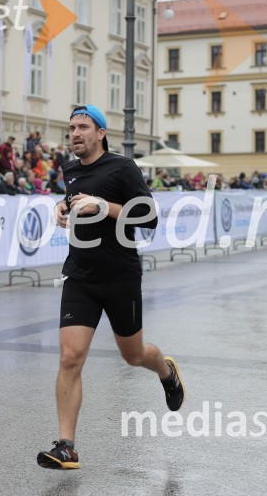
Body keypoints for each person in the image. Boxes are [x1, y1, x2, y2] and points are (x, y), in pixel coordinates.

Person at [37, 105, 184, 470]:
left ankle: (166, 371)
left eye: (83, 127)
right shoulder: (70, 169)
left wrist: (104, 206)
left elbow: (149, 215)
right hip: (80, 277)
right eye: (71, 127)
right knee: (70, 358)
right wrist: (61, 208)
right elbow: (75, 199)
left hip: (120, 276)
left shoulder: (122, 167)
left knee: (133, 355)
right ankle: (66, 447)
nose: (75, 133)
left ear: (101, 133)